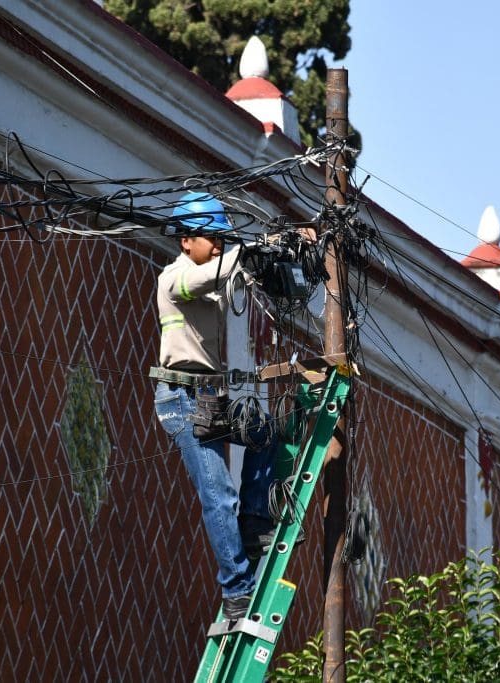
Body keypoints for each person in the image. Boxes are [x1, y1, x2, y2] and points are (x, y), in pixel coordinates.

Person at [152, 192, 277, 621]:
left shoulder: (215, 275)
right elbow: (216, 275)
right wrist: (251, 248)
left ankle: (255, 523)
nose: (220, 244)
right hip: (181, 398)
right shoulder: (175, 277)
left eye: (222, 238)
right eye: (212, 236)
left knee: (265, 434)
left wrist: (285, 247)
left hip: (208, 397)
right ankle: (237, 590)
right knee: (219, 495)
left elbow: (239, 275)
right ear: (186, 240)